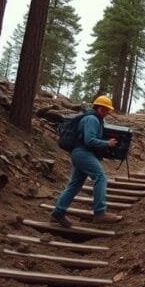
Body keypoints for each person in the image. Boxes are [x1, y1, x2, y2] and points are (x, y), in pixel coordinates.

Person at [50, 95, 122, 227]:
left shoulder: (92, 118)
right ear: (100, 108)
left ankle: (58, 212)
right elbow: (90, 140)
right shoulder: (92, 119)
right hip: (83, 153)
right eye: (106, 110)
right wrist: (107, 143)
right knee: (100, 177)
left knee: (75, 185)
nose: (108, 113)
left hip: (80, 153)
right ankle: (100, 213)